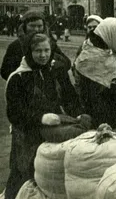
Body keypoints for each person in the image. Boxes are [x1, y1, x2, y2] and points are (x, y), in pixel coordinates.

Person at [5, 33, 80, 199]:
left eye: (47, 50)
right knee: (23, 175)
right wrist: (40, 118)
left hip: (51, 133)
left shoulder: (53, 72)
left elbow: (69, 97)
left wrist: (77, 113)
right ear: (28, 52)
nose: (43, 55)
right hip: (26, 137)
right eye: (38, 51)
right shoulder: (18, 78)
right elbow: (14, 113)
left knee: (46, 178)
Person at [74, 18, 116, 128]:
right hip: (99, 123)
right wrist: (114, 116)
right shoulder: (93, 59)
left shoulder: (107, 53)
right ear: (109, 35)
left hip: (113, 117)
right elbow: (94, 102)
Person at [1, 11, 71, 81]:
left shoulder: (50, 43)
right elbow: (5, 71)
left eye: (39, 26)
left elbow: (67, 63)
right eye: (32, 26)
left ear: (44, 27)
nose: (36, 29)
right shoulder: (15, 46)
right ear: (25, 26)